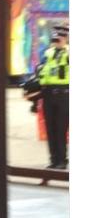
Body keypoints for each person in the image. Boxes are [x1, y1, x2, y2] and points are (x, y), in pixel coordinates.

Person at [38, 26, 69, 169]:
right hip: (48, 94)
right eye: (55, 39)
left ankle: (62, 160)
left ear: (66, 38)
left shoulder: (69, 53)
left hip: (64, 94)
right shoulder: (48, 53)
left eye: (60, 38)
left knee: (61, 128)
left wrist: (64, 48)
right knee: (50, 128)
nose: (57, 41)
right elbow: (40, 71)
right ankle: (53, 160)